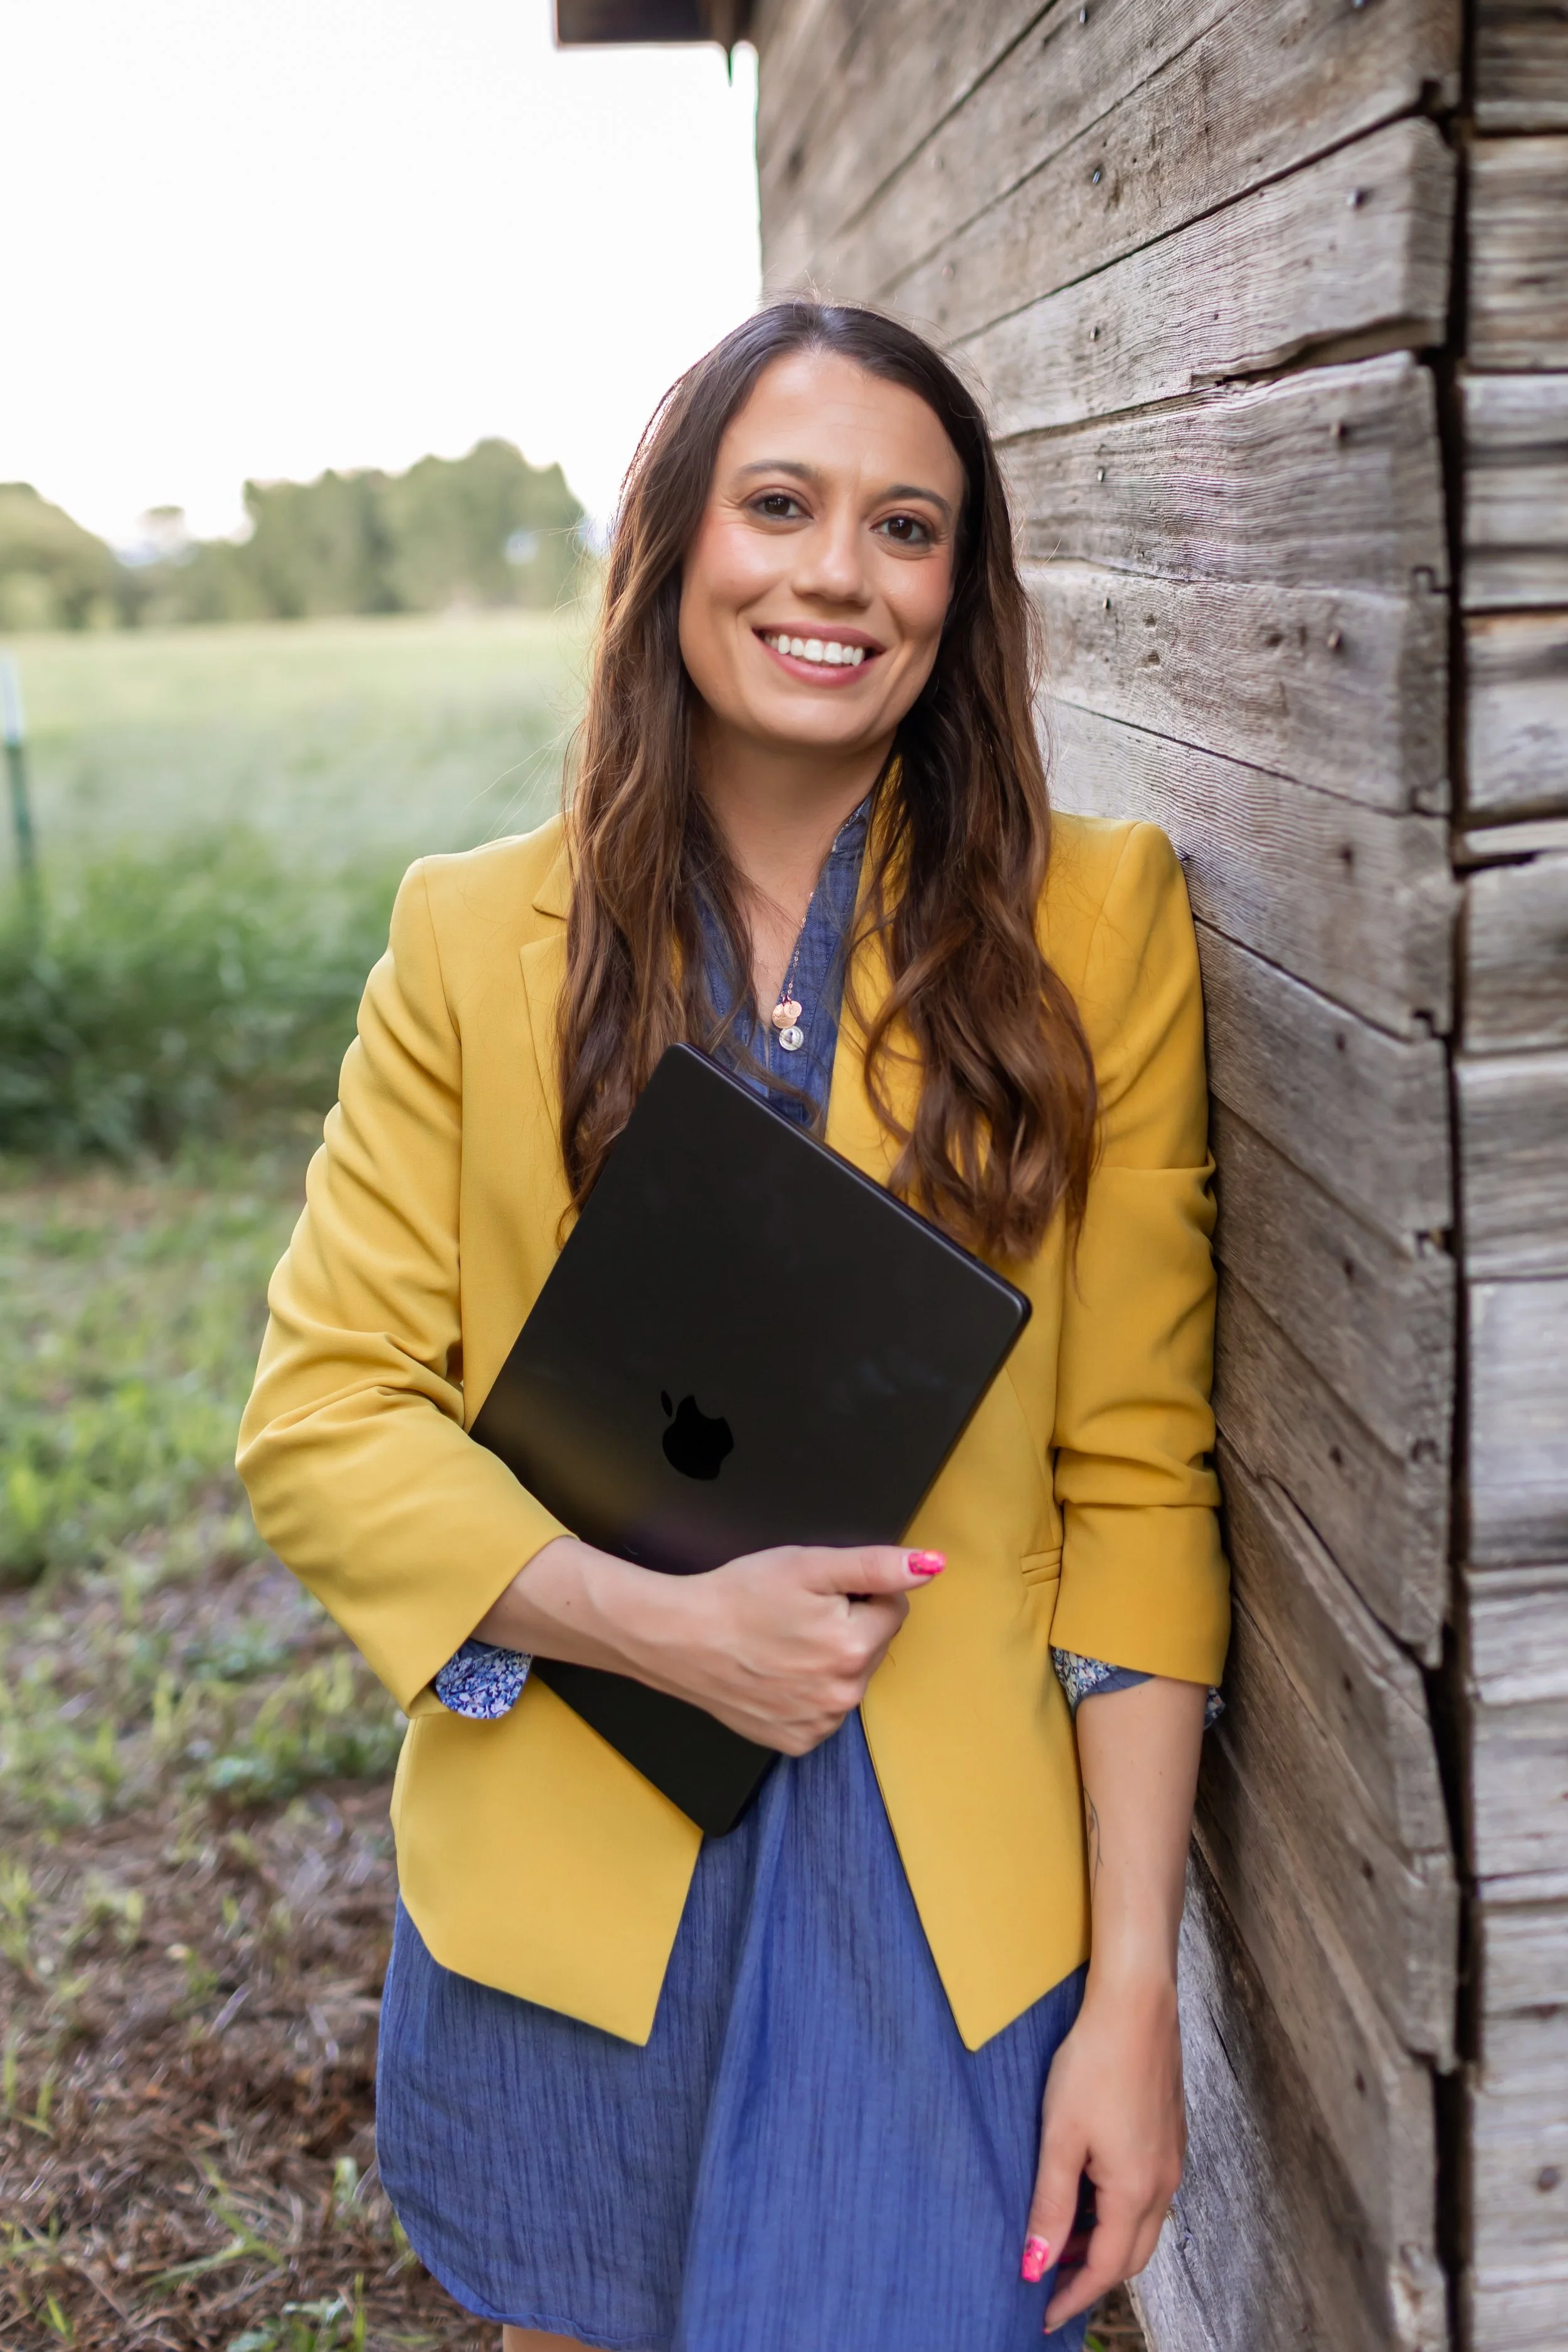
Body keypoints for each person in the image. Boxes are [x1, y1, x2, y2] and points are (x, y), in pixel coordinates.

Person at [238, 300, 1228, 2352]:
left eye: (906, 527)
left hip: (939, 1892)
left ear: (961, 591)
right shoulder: (466, 940)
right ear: (676, 541)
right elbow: (328, 1410)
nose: (835, 574)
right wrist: (647, 1618)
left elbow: (1134, 1476)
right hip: (574, 1853)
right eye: (778, 505)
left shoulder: (1096, 924)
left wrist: (1131, 1995)